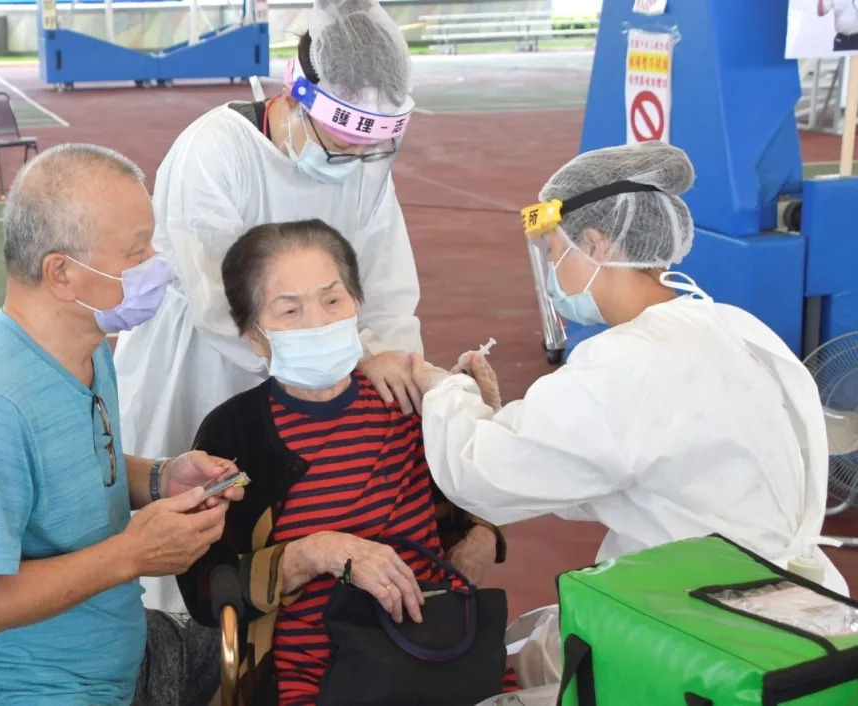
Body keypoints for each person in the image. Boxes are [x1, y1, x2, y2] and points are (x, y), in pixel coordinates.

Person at [411, 141, 849, 596]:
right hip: (797, 598)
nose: (552, 273)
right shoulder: (730, 326)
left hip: (708, 615)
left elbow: (479, 475)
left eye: (554, 252)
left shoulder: (625, 363)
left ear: (595, 244)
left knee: (538, 658)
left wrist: (440, 388)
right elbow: (608, 466)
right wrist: (500, 420)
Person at [115, 0, 426, 614]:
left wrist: (391, 360)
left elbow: (387, 282)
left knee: (292, 531)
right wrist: (336, 359)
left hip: (323, 376)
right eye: (338, 148)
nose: (353, 166)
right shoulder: (215, 150)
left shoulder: (366, 160)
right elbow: (216, 304)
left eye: (369, 153)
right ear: (298, 96)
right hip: (203, 366)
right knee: (192, 538)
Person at [0, 144, 245, 705]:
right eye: (137, 251)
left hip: (111, 653)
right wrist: (130, 555)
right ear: (62, 272)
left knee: (273, 644)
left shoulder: (88, 348)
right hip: (34, 689)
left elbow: (82, 473)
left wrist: (164, 478)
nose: (156, 265)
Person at [175, 220, 514, 705]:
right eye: (289, 309)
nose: (318, 322)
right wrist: (316, 552)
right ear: (254, 336)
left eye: (333, 301)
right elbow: (208, 591)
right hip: (313, 681)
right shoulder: (234, 434)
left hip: (438, 652)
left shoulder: (407, 402)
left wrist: (484, 521)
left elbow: (471, 502)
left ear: (357, 304)